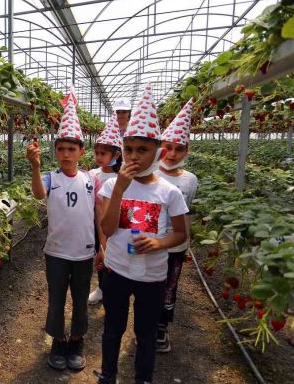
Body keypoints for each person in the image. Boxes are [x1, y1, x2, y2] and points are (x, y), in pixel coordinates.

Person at [95, 85, 188, 384]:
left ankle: (143, 379)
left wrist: (159, 242)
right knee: (112, 328)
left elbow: (181, 235)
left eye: (143, 149)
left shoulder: (169, 192)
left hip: (152, 276)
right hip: (118, 270)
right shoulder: (112, 186)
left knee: (146, 334)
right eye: (129, 149)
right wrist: (120, 189)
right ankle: (108, 375)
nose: (134, 155)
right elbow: (108, 230)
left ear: (157, 151)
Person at [26, 92, 101, 372]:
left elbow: (97, 214)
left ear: (82, 152)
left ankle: (77, 339)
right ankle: (58, 339)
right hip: (56, 251)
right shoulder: (50, 177)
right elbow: (37, 194)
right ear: (55, 152)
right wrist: (35, 166)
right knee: (56, 297)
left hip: (83, 252)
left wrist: (101, 247)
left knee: (80, 297)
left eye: (72, 149)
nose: (66, 154)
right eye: (61, 149)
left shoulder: (91, 179)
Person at [155, 99, 198, 353]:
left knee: (170, 286)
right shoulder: (149, 175)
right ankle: (146, 323)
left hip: (176, 246)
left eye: (178, 149)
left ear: (186, 151)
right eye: (167, 147)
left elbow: (187, 214)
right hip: (151, 242)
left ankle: (161, 326)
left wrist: (187, 245)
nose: (172, 154)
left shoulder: (191, 180)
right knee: (149, 284)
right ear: (160, 147)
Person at [87, 117, 124, 305]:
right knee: (100, 254)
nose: (98, 157)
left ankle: (115, 288)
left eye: (103, 153)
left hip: (116, 225)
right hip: (96, 224)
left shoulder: (122, 177)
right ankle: (102, 287)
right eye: (97, 153)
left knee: (114, 255)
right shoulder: (93, 174)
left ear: (116, 155)